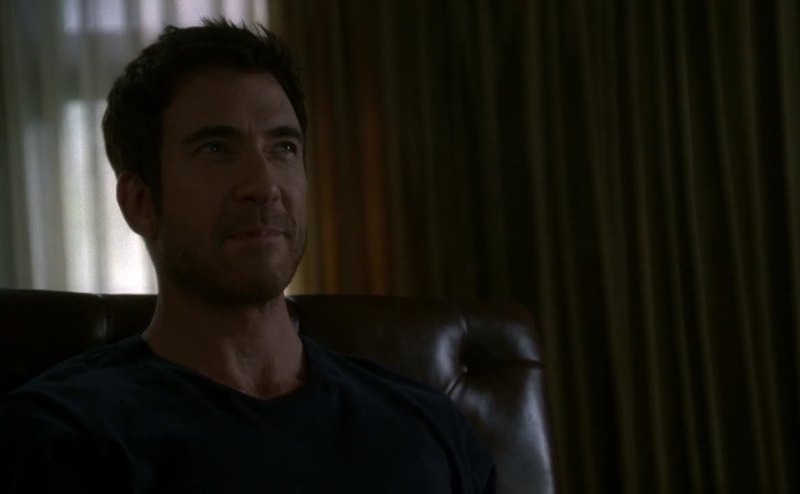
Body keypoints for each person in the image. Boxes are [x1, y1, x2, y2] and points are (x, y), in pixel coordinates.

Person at [0, 19, 495, 493]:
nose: (263, 185)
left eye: (283, 148)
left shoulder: (425, 424)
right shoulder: (60, 437)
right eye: (215, 148)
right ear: (141, 203)